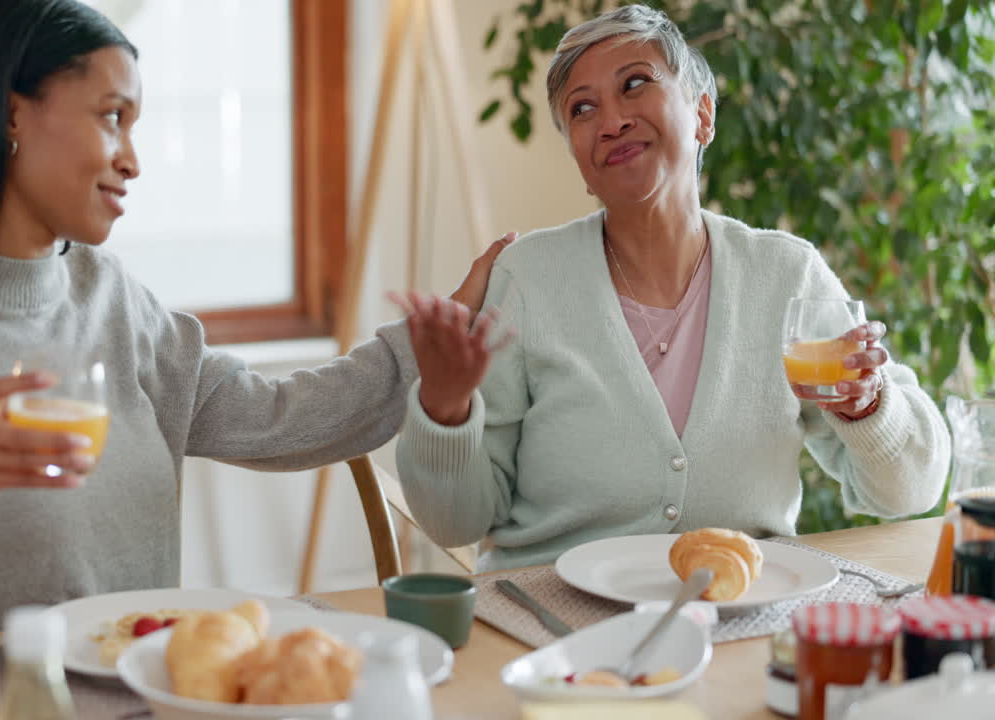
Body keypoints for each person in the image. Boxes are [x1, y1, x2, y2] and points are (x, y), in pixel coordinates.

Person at [0, 0, 509, 658]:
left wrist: (421, 353)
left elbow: (277, 418)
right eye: (110, 116)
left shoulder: (113, 299)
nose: (132, 158)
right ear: (8, 115)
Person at [394, 5, 949, 573]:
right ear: (581, 164)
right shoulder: (528, 279)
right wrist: (445, 407)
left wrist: (868, 406)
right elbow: (454, 524)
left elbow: (911, 492)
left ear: (703, 115)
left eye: (635, 84)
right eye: (582, 109)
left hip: (737, 607)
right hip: (549, 616)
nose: (611, 121)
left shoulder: (785, 275)